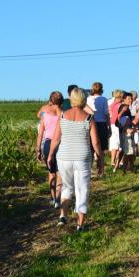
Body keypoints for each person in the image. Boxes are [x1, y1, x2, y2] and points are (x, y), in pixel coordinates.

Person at [48, 88, 103, 231]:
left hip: (64, 157)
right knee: (82, 190)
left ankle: (63, 215)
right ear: (84, 100)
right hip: (82, 157)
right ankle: (80, 224)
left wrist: (50, 155)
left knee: (67, 187)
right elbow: (95, 142)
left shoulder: (63, 116)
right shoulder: (89, 118)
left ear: (71, 99)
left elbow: (55, 139)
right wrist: (100, 159)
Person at [36, 91, 63, 208]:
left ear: (51, 100)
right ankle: (58, 199)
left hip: (47, 144)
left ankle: (52, 198)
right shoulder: (64, 114)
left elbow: (41, 132)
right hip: (61, 143)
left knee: (51, 173)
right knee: (60, 172)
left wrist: (38, 148)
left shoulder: (45, 114)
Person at [86, 82, 111, 177]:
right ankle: (101, 170)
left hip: (91, 123)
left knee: (91, 148)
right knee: (101, 148)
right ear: (101, 89)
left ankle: (89, 169)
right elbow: (106, 114)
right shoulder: (104, 99)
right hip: (102, 124)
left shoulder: (88, 99)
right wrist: (109, 127)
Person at [114, 92, 134, 172]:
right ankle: (127, 168)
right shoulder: (124, 107)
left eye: (131, 98)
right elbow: (118, 117)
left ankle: (116, 166)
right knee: (128, 150)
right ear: (124, 99)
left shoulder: (127, 108)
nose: (130, 100)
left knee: (124, 149)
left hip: (124, 131)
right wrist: (122, 112)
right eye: (128, 99)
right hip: (124, 132)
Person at [108, 89, 124, 167]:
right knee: (119, 144)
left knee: (113, 143)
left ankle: (112, 161)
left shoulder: (111, 104)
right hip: (117, 125)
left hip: (111, 124)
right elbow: (119, 116)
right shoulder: (120, 105)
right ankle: (117, 162)